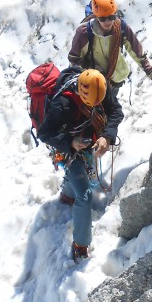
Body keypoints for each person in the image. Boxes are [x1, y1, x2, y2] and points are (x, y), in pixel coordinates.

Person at [37, 67, 124, 261]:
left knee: (81, 178)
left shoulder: (100, 87)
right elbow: (45, 133)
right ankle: (81, 244)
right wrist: (70, 143)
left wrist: (107, 137)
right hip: (67, 147)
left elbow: (116, 111)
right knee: (84, 195)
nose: (97, 105)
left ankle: (67, 195)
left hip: (87, 140)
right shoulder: (63, 104)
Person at [68, 0, 152, 93]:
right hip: (94, 85)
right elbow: (74, 60)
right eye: (103, 18)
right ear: (96, 17)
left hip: (115, 82)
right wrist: (90, 76)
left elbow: (137, 52)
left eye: (111, 17)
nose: (108, 21)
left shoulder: (121, 27)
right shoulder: (84, 33)